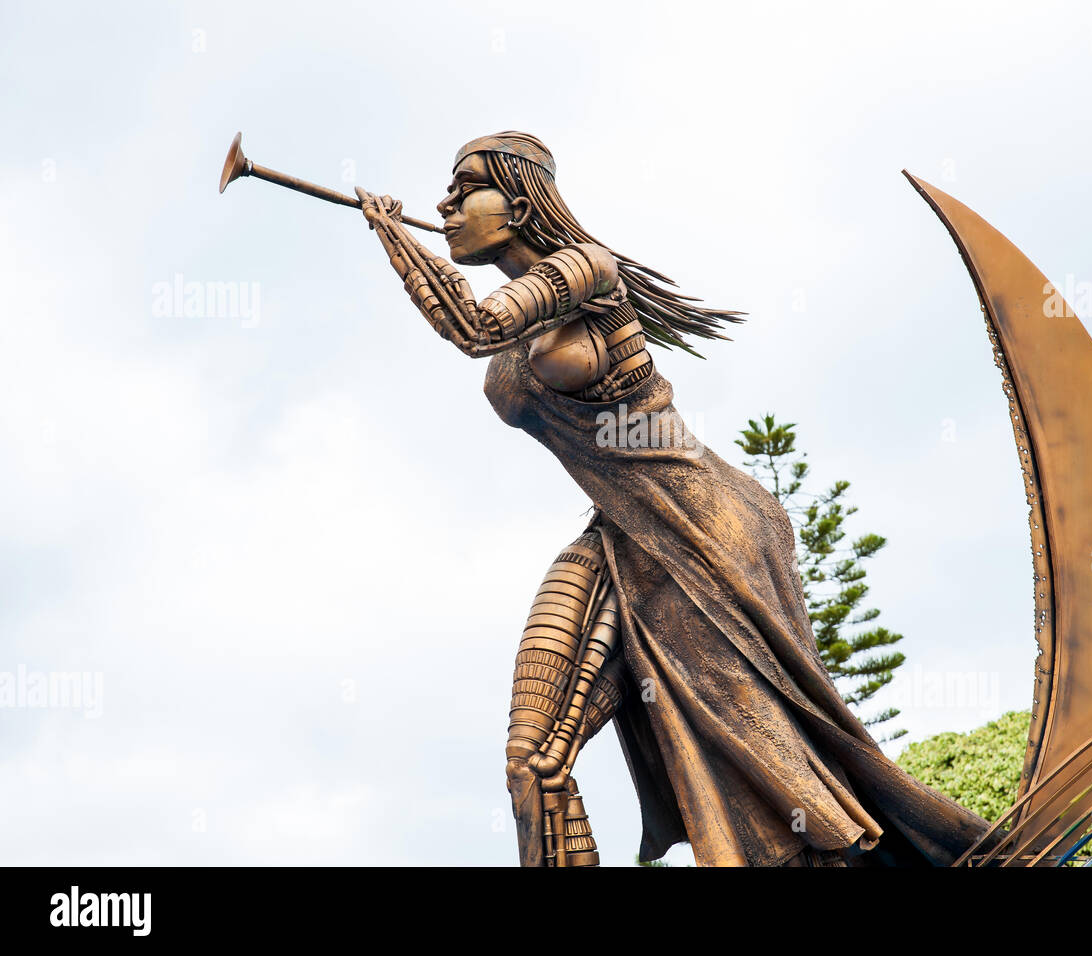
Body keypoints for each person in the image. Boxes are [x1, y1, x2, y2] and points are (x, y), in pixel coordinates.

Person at [355, 131, 990, 867]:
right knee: (532, 760)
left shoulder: (586, 272)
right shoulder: (517, 337)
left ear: (522, 200)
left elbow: (472, 323)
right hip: (619, 535)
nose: (446, 203)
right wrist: (400, 236)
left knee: (760, 762)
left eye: (466, 187)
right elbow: (488, 332)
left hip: (702, 527)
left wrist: (392, 235)